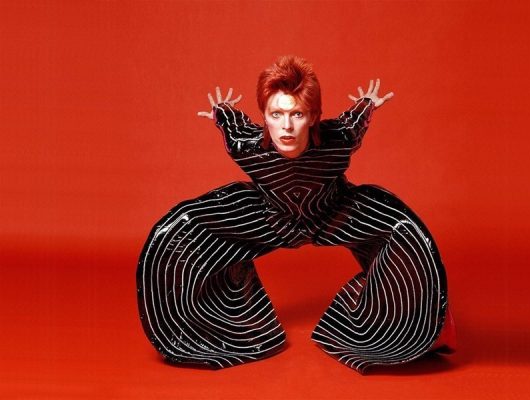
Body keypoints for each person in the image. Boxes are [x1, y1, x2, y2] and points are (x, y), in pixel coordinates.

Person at [136, 55, 455, 374]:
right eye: (276, 114)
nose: (286, 126)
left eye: (297, 114)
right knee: (181, 227)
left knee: (405, 231)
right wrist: (223, 112)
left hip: (335, 214)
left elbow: (355, 121)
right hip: (269, 218)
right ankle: (218, 331)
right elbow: (232, 126)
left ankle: (409, 331)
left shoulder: (338, 141)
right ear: (265, 116)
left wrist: (367, 103)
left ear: (313, 116)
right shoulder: (247, 147)